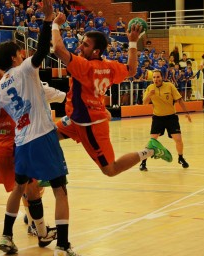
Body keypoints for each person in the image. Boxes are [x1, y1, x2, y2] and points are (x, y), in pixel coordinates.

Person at [0, 1, 79, 255]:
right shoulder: (25, 70)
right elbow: (42, 49)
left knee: (20, 189)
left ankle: (7, 236)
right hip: (42, 135)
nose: (23, 54)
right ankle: (62, 245)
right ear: (14, 58)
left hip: (20, 142)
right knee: (60, 189)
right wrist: (49, 20)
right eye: (20, 52)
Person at [51, 13, 173, 179]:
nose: (80, 48)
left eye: (85, 45)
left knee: (110, 169)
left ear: (95, 51)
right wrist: (132, 42)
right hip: (75, 119)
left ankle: (150, 150)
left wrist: (56, 24)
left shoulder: (84, 66)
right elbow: (131, 70)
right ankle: (49, 176)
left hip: (91, 125)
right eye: (81, 43)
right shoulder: (109, 66)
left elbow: (58, 49)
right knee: (46, 138)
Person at [0, 60, 66, 251]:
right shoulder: (4, 93)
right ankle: (40, 232)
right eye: (1, 70)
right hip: (9, 149)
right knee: (30, 189)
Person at [139, 70, 192, 171]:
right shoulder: (150, 88)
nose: (156, 79)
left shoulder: (170, 86)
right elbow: (144, 103)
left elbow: (179, 100)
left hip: (171, 117)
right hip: (157, 118)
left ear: (162, 77)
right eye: (154, 77)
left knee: (178, 139)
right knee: (152, 141)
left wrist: (187, 113)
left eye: (158, 77)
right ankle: (143, 162)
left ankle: (180, 158)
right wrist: (149, 95)